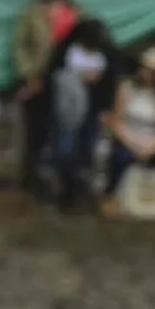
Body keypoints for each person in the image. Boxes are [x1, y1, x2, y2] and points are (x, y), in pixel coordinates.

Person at [14, 0, 81, 194]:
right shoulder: (33, 11)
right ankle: (33, 183)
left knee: (65, 130)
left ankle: (63, 183)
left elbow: (87, 45)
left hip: (69, 79)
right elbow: (20, 46)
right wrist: (28, 74)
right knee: (37, 132)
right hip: (39, 79)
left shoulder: (77, 11)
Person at [44, 18, 119, 211]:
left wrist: (106, 108)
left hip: (93, 109)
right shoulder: (66, 50)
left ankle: (81, 191)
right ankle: (64, 189)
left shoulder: (107, 54)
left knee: (87, 150)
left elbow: (110, 82)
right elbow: (53, 75)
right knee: (64, 149)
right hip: (67, 109)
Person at [99, 46, 155, 217]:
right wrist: (133, 143)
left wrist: (151, 147)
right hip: (128, 136)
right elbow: (117, 122)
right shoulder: (127, 88)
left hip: (152, 141)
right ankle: (110, 196)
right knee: (119, 157)